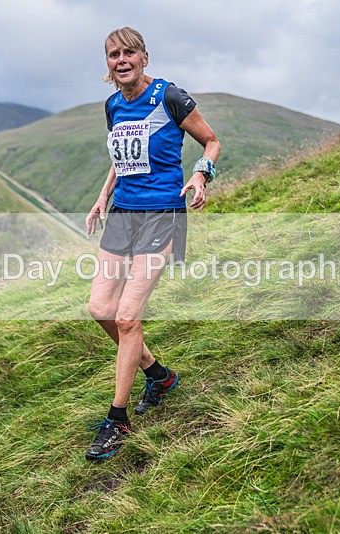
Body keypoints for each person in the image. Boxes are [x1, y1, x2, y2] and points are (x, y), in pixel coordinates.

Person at [84, 27, 221, 461]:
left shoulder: (169, 97)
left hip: (163, 214)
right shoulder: (113, 105)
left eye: (128, 53)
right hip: (123, 214)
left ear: (144, 57)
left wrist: (200, 174)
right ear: (107, 63)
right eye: (112, 55)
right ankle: (158, 374)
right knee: (100, 309)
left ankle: (117, 419)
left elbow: (211, 142)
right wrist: (103, 195)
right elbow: (119, 157)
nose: (120, 60)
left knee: (127, 317)